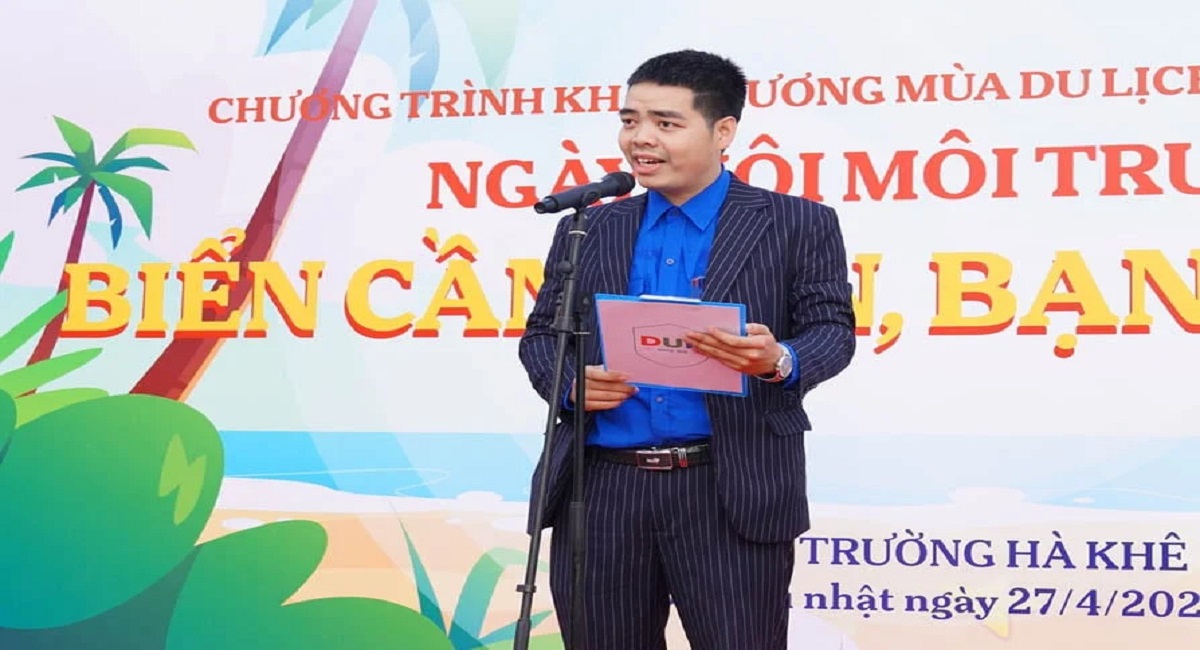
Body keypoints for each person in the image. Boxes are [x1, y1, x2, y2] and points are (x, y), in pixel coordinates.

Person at [518, 49, 856, 650]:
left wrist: (779, 360)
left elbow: (833, 330)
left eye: (666, 123)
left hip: (729, 488)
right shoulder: (590, 226)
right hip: (601, 491)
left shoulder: (797, 223)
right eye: (629, 121)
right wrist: (570, 385)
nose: (640, 139)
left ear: (723, 131)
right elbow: (543, 335)